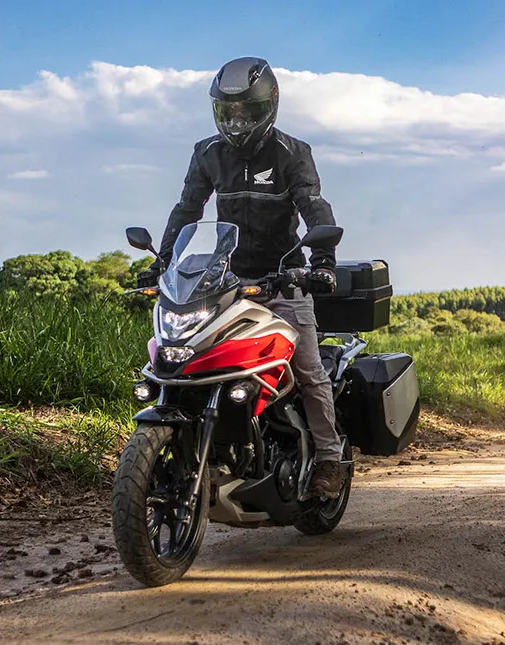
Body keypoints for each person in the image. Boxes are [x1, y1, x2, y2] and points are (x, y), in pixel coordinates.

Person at [138, 56, 346, 498]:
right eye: (227, 111)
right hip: (228, 281)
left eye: (244, 111)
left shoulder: (292, 153)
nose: (235, 121)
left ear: (267, 107)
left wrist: (321, 262)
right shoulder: (207, 153)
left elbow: (314, 207)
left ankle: (329, 460)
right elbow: (188, 209)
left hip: (284, 279)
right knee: (195, 358)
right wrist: (162, 263)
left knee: (308, 369)